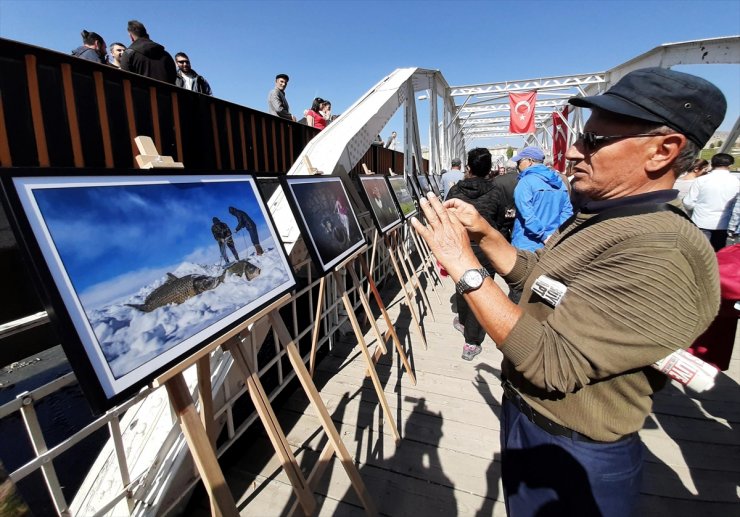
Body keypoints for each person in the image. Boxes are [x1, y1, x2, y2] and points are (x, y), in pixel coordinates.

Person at [410, 67, 725, 517]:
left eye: (594, 141)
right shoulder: (613, 217)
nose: (574, 153)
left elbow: (552, 362)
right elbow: (544, 280)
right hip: (535, 424)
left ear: (663, 150)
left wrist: (463, 264)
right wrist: (484, 234)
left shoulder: (660, 250)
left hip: (575, 452)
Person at [445, 148, 497, 360]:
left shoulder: (456, 191)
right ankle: (472, 341)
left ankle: (464, 322)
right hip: (486, 248)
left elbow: (445, 216)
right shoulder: (496, 192)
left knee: (462, 285)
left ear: (468, 167)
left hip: (460, 247)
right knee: (482, 291)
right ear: (489, 169)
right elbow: (503, 219)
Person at [510, 146, 573, 253]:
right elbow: (567, 212)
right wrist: (554, 235)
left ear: (529, 161)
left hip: (527, 244)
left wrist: (543, 235)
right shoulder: (559, 182)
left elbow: (527, 215)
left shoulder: (525, 182)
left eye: (519, 161)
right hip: (554, 243)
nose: (517, 165)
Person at [683, 153, 739, 251]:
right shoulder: (736, 182)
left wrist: (698, 207)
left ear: (712, 164)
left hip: (701, 222)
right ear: (730, 166)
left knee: (699, 253)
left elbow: (688, 203)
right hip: (723, 224)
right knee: (717, 254)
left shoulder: (701, 180)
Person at [120, 20, 177, 84]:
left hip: (140, 93)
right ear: (147, 35)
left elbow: (126, 79)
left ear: (131, 37)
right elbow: (173, 78)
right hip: (165, 93)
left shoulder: (128, 53)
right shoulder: (166, 54)